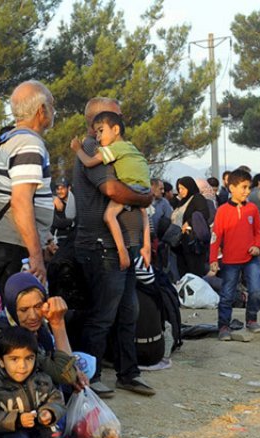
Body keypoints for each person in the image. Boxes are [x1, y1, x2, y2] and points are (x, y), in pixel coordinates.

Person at [71, 97, 154, 397]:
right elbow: (112, 189)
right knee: (103, 314)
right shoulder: (92, 149)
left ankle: (128, 373)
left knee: (128, 311)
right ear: (96, 122)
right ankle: (90, 377)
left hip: (122, 244)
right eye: (114, 116)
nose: (120, 122)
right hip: (102, 244)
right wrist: (145, 197)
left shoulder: (113, 150)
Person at [0, 272, 82, 434]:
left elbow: (68, 372)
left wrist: (75, 371)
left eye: (38, 306)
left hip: (13, 395)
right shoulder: (8, 335)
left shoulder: (34, 329)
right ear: (12, 308)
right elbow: (66, 375)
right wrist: (58, 323)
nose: (33, 316)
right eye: (23, 310)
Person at [0, 80, 56, 293]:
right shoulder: (29, 144)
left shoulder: (10, 139)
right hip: (15, 248)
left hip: (6, 245)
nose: (54, 111)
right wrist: (35, 256)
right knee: (23, 309)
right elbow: (21, 201)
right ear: (41, 110)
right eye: (52, 105)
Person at [70, 111, 151, 270]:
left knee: (109, 216)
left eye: (101, 131)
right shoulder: (131, 146)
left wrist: (78, 149)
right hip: (144, 187)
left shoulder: (113, 149)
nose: (98, 137)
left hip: (130, 185)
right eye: (96, 133)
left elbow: (89, 162)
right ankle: (146, 246)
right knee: (143, 212)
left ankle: (122, 251)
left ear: (115, 129)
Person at [209, 168, 260, 340]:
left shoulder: (253, 209)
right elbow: (215, 236)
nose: (247, 191)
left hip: (251, 259)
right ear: (232, 188)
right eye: (244, 187)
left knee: (255, 291)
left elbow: (259, 232)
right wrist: (213, 259)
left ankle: (252, 319)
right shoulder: (222, 211)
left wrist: (257, 246)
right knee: (227, 294)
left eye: (249, 187)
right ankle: (224, 326)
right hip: (230, 260)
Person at [171, 176, 211, 278]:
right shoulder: (182, 201)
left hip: (193, 242)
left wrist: (189, 222)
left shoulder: (197, 198)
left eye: (183, 188)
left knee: (195, 271)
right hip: (181, 242)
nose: (180, 191)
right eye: (179, 188)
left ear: (190, 187)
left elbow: (204, 213)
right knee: (183, 271)